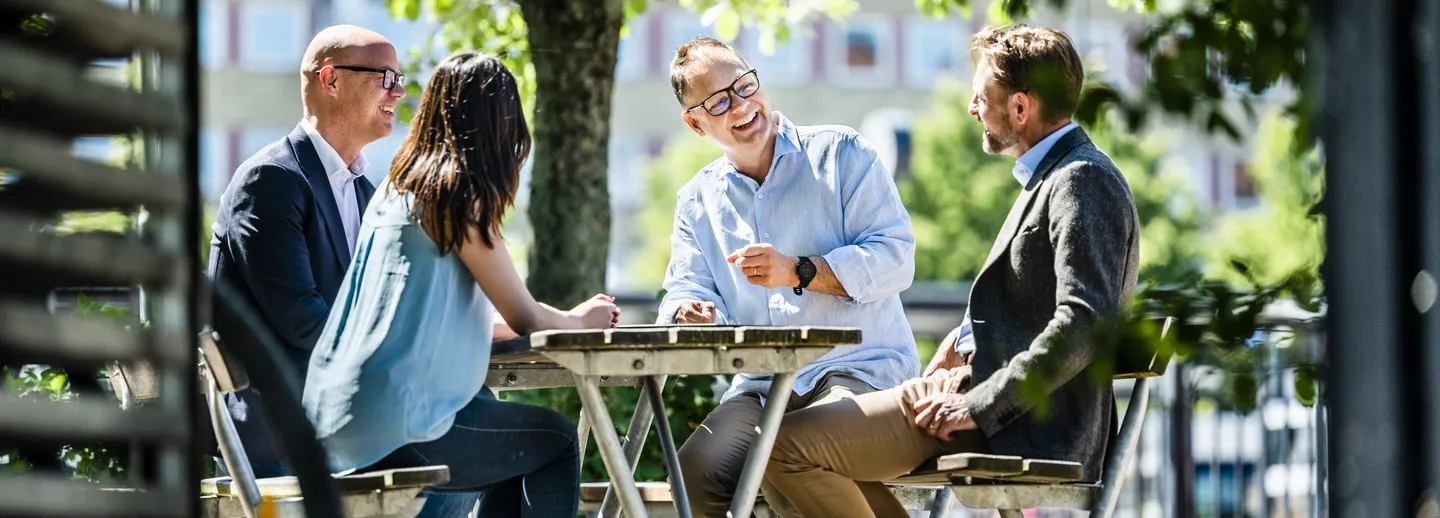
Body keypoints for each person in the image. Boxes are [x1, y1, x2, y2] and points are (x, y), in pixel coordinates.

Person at [760, 25, 1142, 517]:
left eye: (982, 96)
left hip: (1009, 415)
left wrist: (980, 405)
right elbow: (1030, 300)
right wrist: (963, 341)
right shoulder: (1055, 177)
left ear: (1020, 107)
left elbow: (1084, 323)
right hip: (970, 389)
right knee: (779, 456)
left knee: (780, 450)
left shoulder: (1081, 181)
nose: (972, 108)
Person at [302, 51, 620, 518]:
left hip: (334, 420)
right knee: (555, 441)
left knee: (514, 453)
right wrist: (579, 319)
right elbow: (526, 316)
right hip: (401, 424)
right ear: (500, 128)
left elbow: (421, 311)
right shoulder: (459, 198)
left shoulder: (395, 194)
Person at [658, 37, 921, 516]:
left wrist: (800, 270)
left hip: (860, 370)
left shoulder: (842, 153)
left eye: (744, 84)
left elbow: (895, 258)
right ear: (695, 123)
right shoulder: (696, 201)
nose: (742, 105)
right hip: (762, 387)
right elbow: (686, 286)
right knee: (694, 472)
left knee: (783, 454)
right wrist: (689, 311)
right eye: (719, 101)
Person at [206, 24, 402, 477]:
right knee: (464, 450)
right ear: (330, 79)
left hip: (347, 422)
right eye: (385, 78)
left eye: (400, 79)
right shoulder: (270, 180)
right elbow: (303, 322)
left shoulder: (368, 194)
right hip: (283, 434)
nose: (398, 92)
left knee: (473, 436)